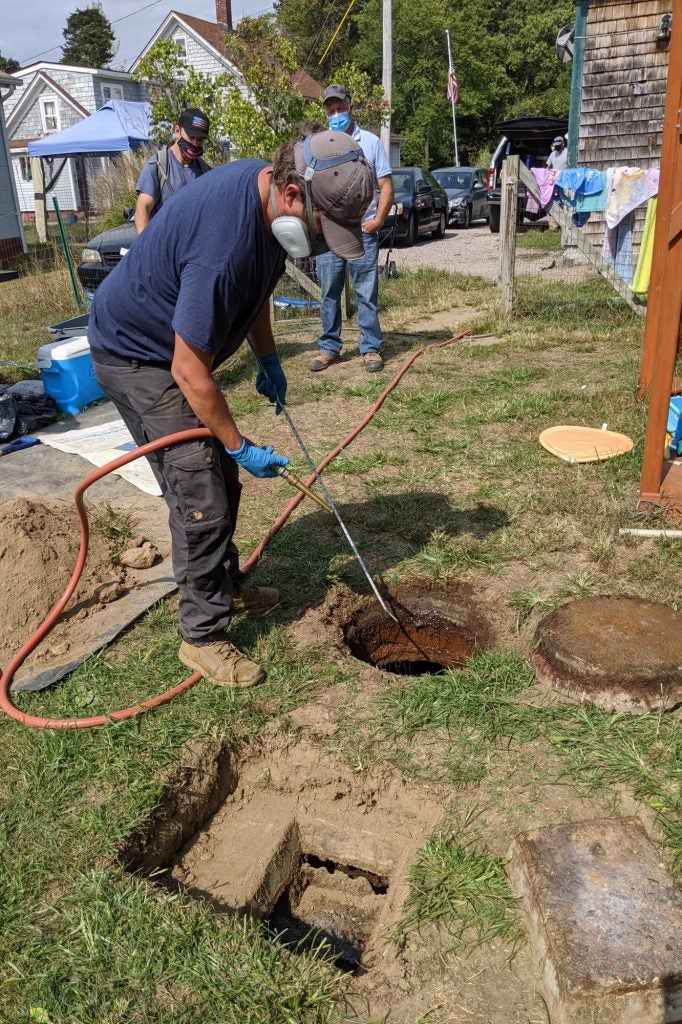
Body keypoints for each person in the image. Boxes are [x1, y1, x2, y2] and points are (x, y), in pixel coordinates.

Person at [88, 129, 373, 688]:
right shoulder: (225, 243)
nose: (319, 244)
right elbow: (188, 370)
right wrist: (238, 445)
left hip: (168, 351)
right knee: (200, 486)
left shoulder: (265, 201)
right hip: (135, 356)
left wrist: (268, 358)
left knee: (221, 481)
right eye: (322, 229)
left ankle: (226, 584)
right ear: (293, 196)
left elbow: (253, 294)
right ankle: (201, 636)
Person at [309, 83, 394, 374]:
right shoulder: (317, 145)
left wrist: (379, 220)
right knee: (329, 292)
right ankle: (329, 348)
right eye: (330, 110)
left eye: (340, 109)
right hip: (328, 236)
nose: (335, 114)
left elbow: (386, 186)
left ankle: (370, 347)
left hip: (362, 233)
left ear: (350, 108)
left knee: (365, 292)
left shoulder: (369, 142)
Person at [134, 108, 212, 233]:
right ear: (177, 131)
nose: (196, 144)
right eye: (192, 137)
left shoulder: (205, 171)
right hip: (164, 248)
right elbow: (143, 210)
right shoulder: (157, 166)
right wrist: (146, 248)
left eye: (201, 140)